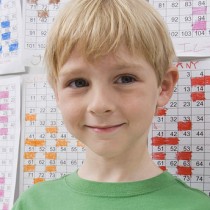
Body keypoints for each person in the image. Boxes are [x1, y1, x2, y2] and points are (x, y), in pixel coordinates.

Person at [13, 0, 210, 209]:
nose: (100, 105)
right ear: (57, 94)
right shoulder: (33, 204)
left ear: (163, 86)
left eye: (125, 79)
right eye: (78, 82)